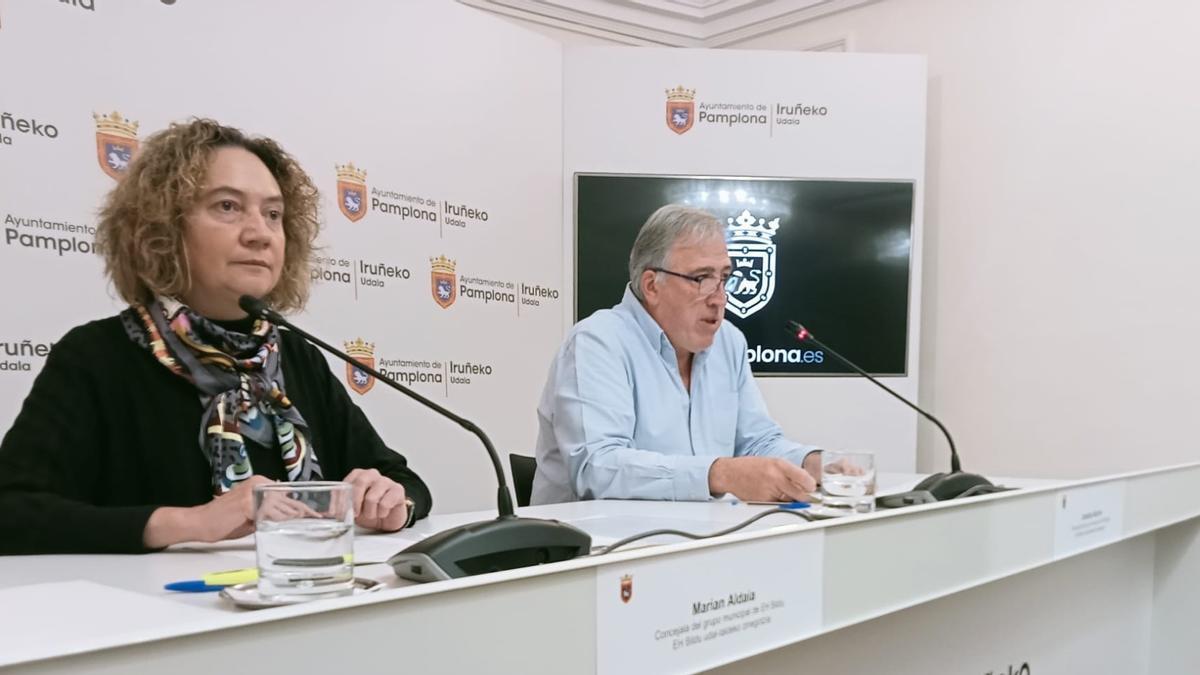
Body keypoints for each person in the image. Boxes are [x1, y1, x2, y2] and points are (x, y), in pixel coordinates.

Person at [0, 119, 431, 555]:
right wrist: (189, 523)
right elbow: (12, 511)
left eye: (273, 214)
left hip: (303, 602)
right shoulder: (99, 356)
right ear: (163, 228)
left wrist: (394, 500)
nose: (259, 233)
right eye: (228, 207)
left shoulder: (294, 354)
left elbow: (402, 480)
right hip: (167, 615)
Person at [532, 204, 822, 504]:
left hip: (703, 539)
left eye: (724, 278)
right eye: (702, 279)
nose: (720, 298)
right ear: (652, 285)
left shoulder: (729, 342)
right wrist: (718, 474)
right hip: (601, 545)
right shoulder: (597, 342)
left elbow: (757, 442)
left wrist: (814, 463)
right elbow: (597, 468)